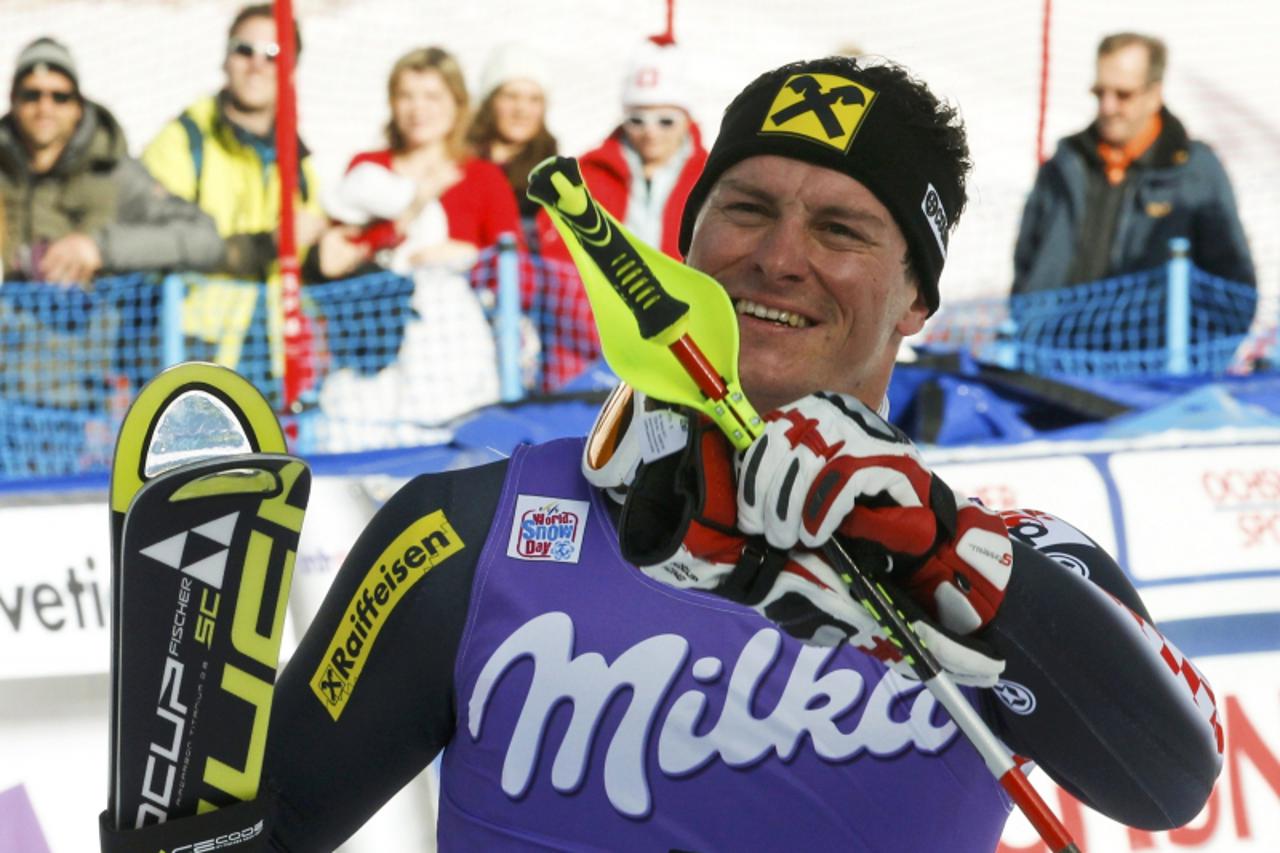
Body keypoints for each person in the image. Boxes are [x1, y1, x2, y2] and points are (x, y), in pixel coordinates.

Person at [100, 55, 1222, 852]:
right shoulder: (473, 522)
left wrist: (939, 556)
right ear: (683, 243)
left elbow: (1167, 778)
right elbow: (273, 831)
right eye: (743, 208)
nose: (777, 258)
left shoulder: (1001, 563)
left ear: (919, 298)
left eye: (840, 229)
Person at [315, 46, 522, 444]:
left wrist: (470, 259)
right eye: (406, 96)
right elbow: (342, 246)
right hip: (372, 343)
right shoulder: (368, 170)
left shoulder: (481, 178)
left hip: (452, 348)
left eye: (432, 96)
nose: (418, 109)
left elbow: (517, 273)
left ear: (457, 104)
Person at [1012, 33, 1255, 330]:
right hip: (1050, 359)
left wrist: (1184, 361)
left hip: (1146, 368)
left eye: (1123, 94)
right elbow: (1026, 261)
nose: (1108, 107)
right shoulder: (1065, 164)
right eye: (1100, 93)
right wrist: (1029, 325)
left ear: (1154, 95)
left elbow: (1233, 287)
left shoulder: (1195, 171)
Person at [0, 37, 222, 284]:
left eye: (59, 97)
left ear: (78, 107)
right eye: (31, 95)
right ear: (13, 100)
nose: (45, 107)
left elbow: (204, 239)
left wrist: (100, 249)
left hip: (92, 319)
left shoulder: (113, 173)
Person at [141, 3, 326, 282]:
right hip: (187, 324)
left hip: (273, 325)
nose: (257, 65)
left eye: (273, 54)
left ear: (292, 69)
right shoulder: (181, 144)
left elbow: (303, 274)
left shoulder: (299, 165)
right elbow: (155, 248)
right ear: (225, 58)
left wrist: (328, 256)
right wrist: (266, 245)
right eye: (244, 50)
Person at [538, 39, 708, 262]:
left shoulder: (711, 178)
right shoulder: (587, 176)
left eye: (665, 121)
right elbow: (557, 252)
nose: (650, 132)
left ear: (686, 121)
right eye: (637, 120)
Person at [466, 42, 558, 253]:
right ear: (490, 101)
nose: (522, 110)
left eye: (534, 99)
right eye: (511, 96)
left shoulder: (554, 174)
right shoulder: (461, 162)